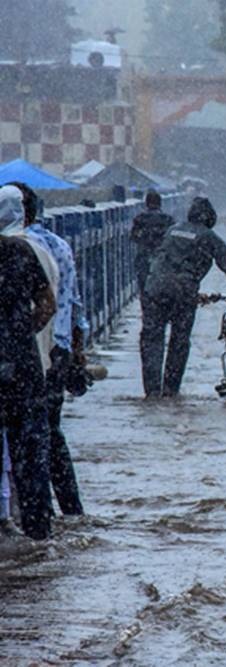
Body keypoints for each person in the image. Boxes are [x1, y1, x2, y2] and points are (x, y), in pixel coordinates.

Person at [8, 182, 87, 517]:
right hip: (55, 351)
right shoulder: (58, 244)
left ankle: (29, 517)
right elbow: (73, 304)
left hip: (23, 356)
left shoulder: (20, 248)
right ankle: (65, 513)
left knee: (25, 440)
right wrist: (77, 353)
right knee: (49, 435)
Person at [140, 198, 226, 399]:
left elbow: (157, 258)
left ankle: (152, 393)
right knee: (179, 342)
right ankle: (170, 392)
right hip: (183, 294)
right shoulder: (208, 236)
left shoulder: (173, 230)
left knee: (151, 340)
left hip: (154, 290)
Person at [0, 186, 57, 541]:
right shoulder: (21, 251)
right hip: (22, 363)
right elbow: (47, 304)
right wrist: (21, 333)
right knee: (30, 446)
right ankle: (38, 527)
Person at [131, 190, 175, 306]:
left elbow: (134, 237)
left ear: (146, 203)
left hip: (143, 259)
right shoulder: (168, 219)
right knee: (163, 290)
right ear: (160, 203)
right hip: (163, 260)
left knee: (144, 290)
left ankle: (147, 313)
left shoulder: (139, 219)